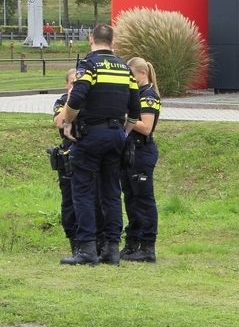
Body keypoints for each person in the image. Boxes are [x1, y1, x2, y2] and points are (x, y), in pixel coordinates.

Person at [59, 24, 141, 265]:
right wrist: (124, 132)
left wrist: (66, 123)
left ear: (91, 39)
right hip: (116, 136)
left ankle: (86, 250)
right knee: (112, 192)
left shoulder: (89, 65)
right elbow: (135, 109)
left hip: (91, 136)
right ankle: (112, 249)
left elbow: (76, 97)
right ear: (112, 42)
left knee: (83, 192)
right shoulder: (125, 69)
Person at [120, 57, 161, 263]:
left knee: (143, 200)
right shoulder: (134, 94)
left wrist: (125, 116)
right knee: (130, 198)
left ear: (142, 73)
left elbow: (146, 127)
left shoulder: (148, 96)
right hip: (129, 152)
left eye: (132, 75)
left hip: (142, 152)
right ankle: (132, 242)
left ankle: (147, 246)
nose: (130, 80)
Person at [51, 68, 79, 254]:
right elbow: (60, 122)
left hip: (87, 152)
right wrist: (71, 99)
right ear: (66, 85)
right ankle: (74, 241)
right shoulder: (62, 101)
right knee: (69, 201)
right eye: (72, 84)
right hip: (68, 154)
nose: (75, 87)